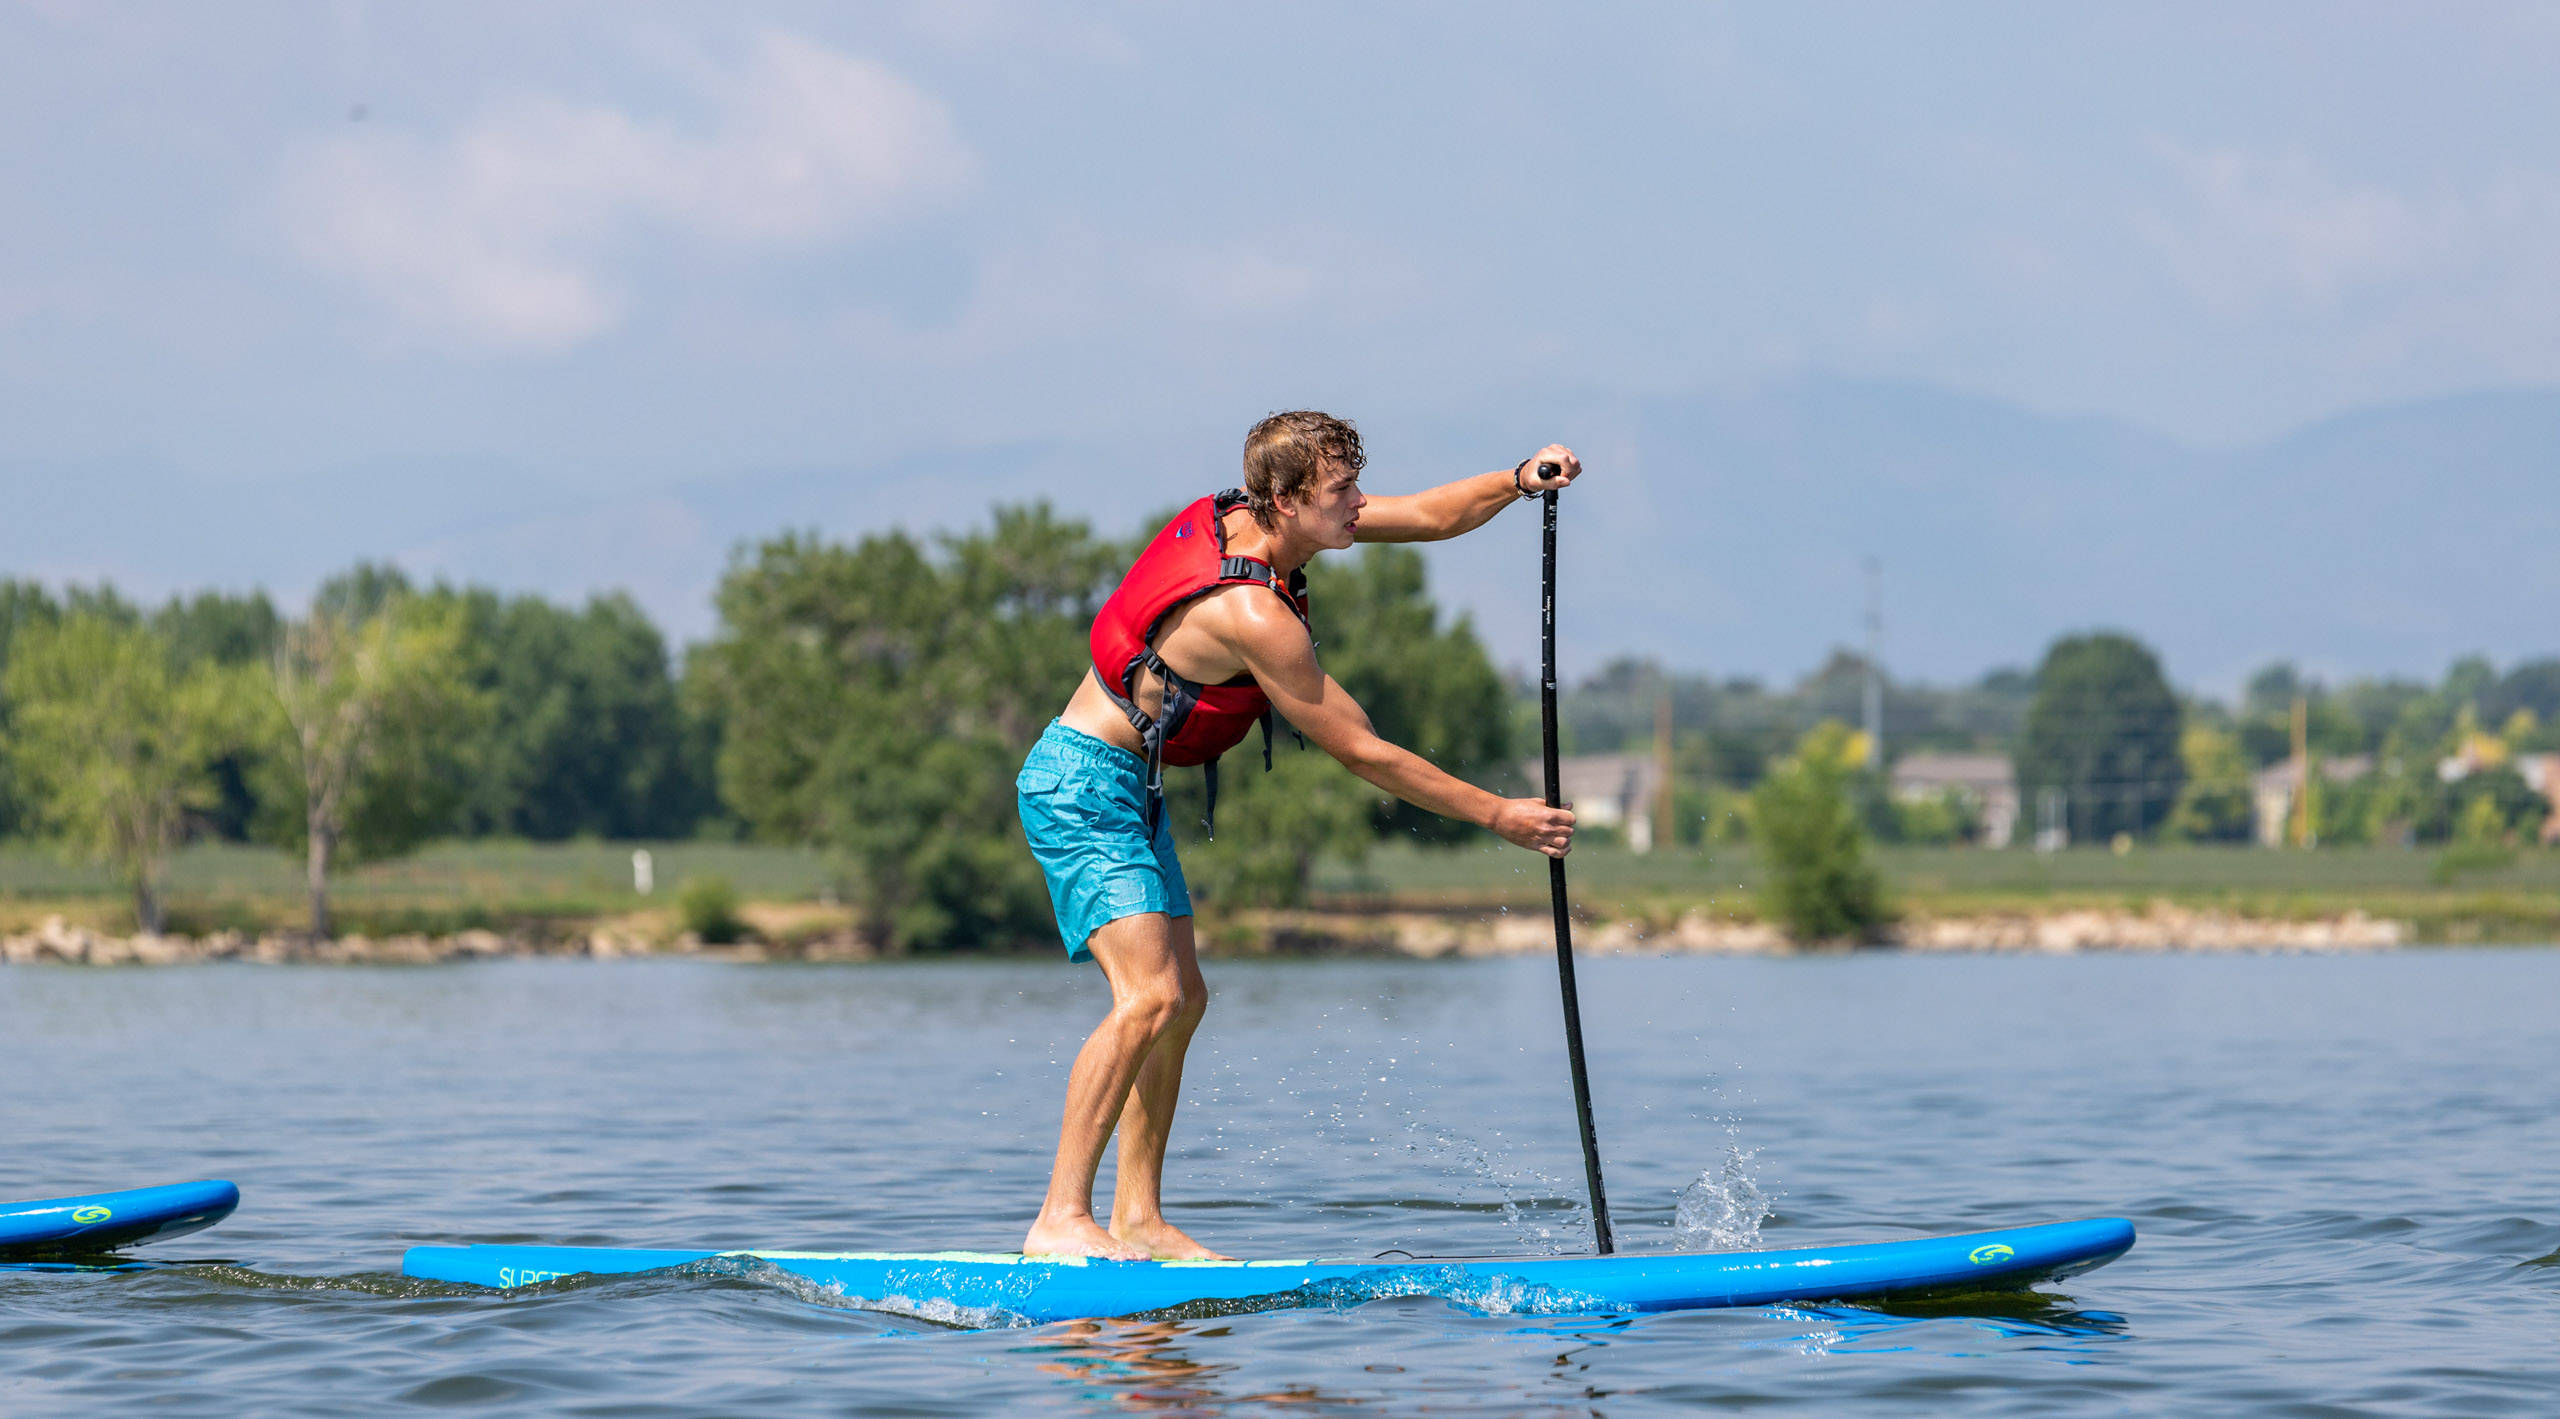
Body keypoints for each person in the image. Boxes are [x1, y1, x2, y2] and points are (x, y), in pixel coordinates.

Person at [1015, 410, 1581, 1261]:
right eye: (1342, 491)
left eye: (1355, 485)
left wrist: (1515, 479)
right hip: (1080, 790)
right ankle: (1060, 1217)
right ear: (1282, 501)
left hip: (1131, 791)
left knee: (1184, 998)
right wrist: (1500, 814)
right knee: (1151, 997)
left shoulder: (1276, 523)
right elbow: (1361, 748)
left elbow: (1428, 514)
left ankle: (1137, 1217)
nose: (1359, 504)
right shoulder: (1252, 613)